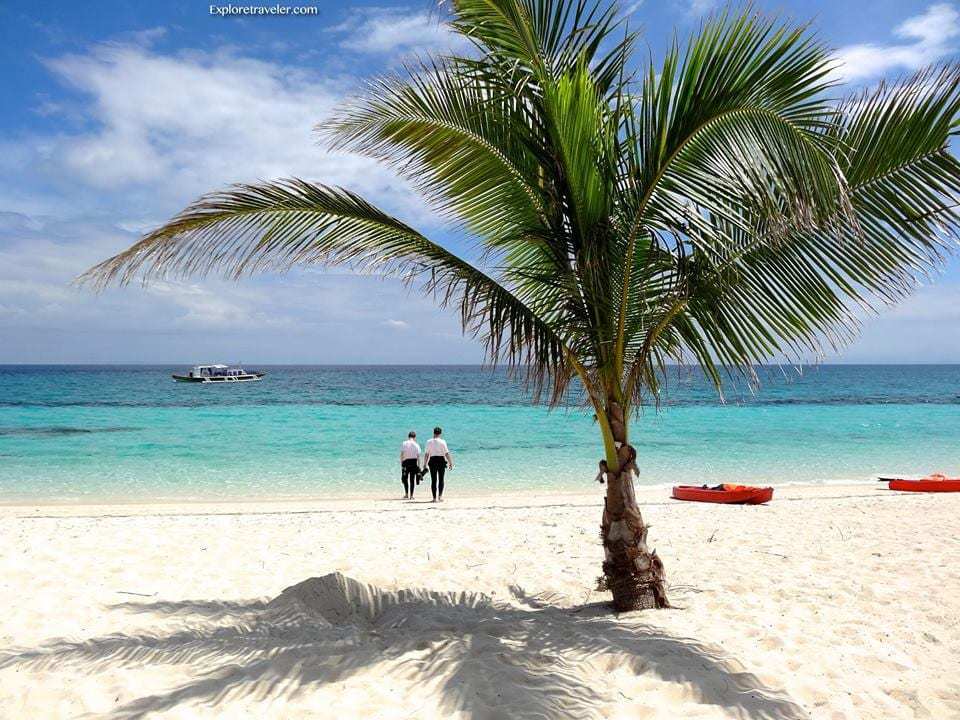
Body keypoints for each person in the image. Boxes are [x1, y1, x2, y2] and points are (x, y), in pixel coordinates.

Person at [424, 426, 454, 502]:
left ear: (433, 432)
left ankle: (434, 498)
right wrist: (450, 462)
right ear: (440, 433)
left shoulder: (429, 441)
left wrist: (425, 464)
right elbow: (446, 453)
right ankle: (440, 497)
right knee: (441, 479)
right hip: (441, 460)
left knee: (433, 480)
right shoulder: (443, 441)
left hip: (433, 460)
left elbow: (427, 454)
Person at [399, 431, 421, 499]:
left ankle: (406, 494)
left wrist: (401, 463)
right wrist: (419, 466)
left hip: (406, 462)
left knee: (405, 479)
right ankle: (411, 496)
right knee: (412, 479)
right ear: (415, 437)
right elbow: (418, 457)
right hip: (414, 462)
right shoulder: (416, 444)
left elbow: (402, 454)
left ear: (408, 436)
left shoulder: (404, 443)